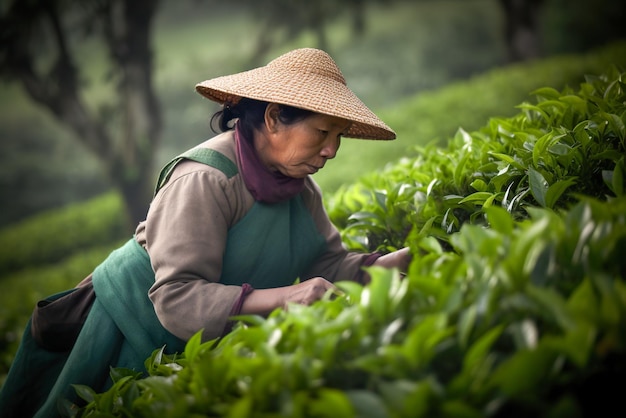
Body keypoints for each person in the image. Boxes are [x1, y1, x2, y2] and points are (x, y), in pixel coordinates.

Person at [0, 47, 411, 417]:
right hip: (130, 328)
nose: (332, 150)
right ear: (273, 118)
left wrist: (382, 267)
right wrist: (286, 297)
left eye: (338, 136)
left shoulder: (299, 189)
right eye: (322, 132)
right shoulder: (205, 180)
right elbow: (176, 297)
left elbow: (326, 260)